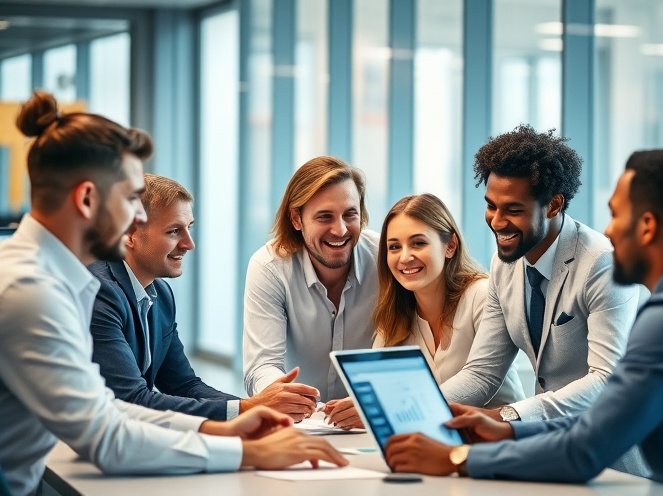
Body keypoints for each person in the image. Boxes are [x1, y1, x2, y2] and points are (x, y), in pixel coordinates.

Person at [383, 149, 663, 496]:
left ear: (648, 226)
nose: (608, 230)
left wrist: (459, 458)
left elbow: (588, 448)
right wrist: (508, 431)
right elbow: (605, 422)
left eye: (616, 215)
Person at [0, 92, 346, 495]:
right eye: (132, 199)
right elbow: (106, 438)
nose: (139, 217)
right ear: (88, 199)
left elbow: (106, 406)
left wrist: (222, 427)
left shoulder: (50, 278)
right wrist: (245, 452)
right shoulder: (30, 291)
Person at [440, 126, 640, 419]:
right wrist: (412, 406)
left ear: (553, 205)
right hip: (550, 446)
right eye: (491, 206)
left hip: (610, 446)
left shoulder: (602, 263)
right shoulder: (503, 264)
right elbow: (483, 372)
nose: (497, 222)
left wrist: (508, 414)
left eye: (513, 210)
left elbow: (605, 379)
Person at [89, 174, 318, 422]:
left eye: (189, 228)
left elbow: (184, 384)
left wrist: (254, 406)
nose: (189, 244)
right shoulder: (99, 293)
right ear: (130, 235)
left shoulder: (161, 295)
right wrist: (250, 409)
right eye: (174, 231)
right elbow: (132, 400)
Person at [323, 194, 525, 428]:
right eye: (394, 247)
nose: (405, 257)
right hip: (436, 445)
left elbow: (480, 381)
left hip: (503, 443)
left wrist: (386, 409)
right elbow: (377, 391)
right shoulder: (393, 316)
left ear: (450, 246)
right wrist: (355, 406)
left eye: (418, 243)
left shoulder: (482, 295)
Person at [242, 156, 379, 402]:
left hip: (370, 416)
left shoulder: (384, 258)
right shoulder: (269, 267)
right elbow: (261, 366)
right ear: (296, 219)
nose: (340, 230)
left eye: (350, 214)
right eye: (324, 217)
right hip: (300, 420)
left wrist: (373, 402)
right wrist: (288, 398)